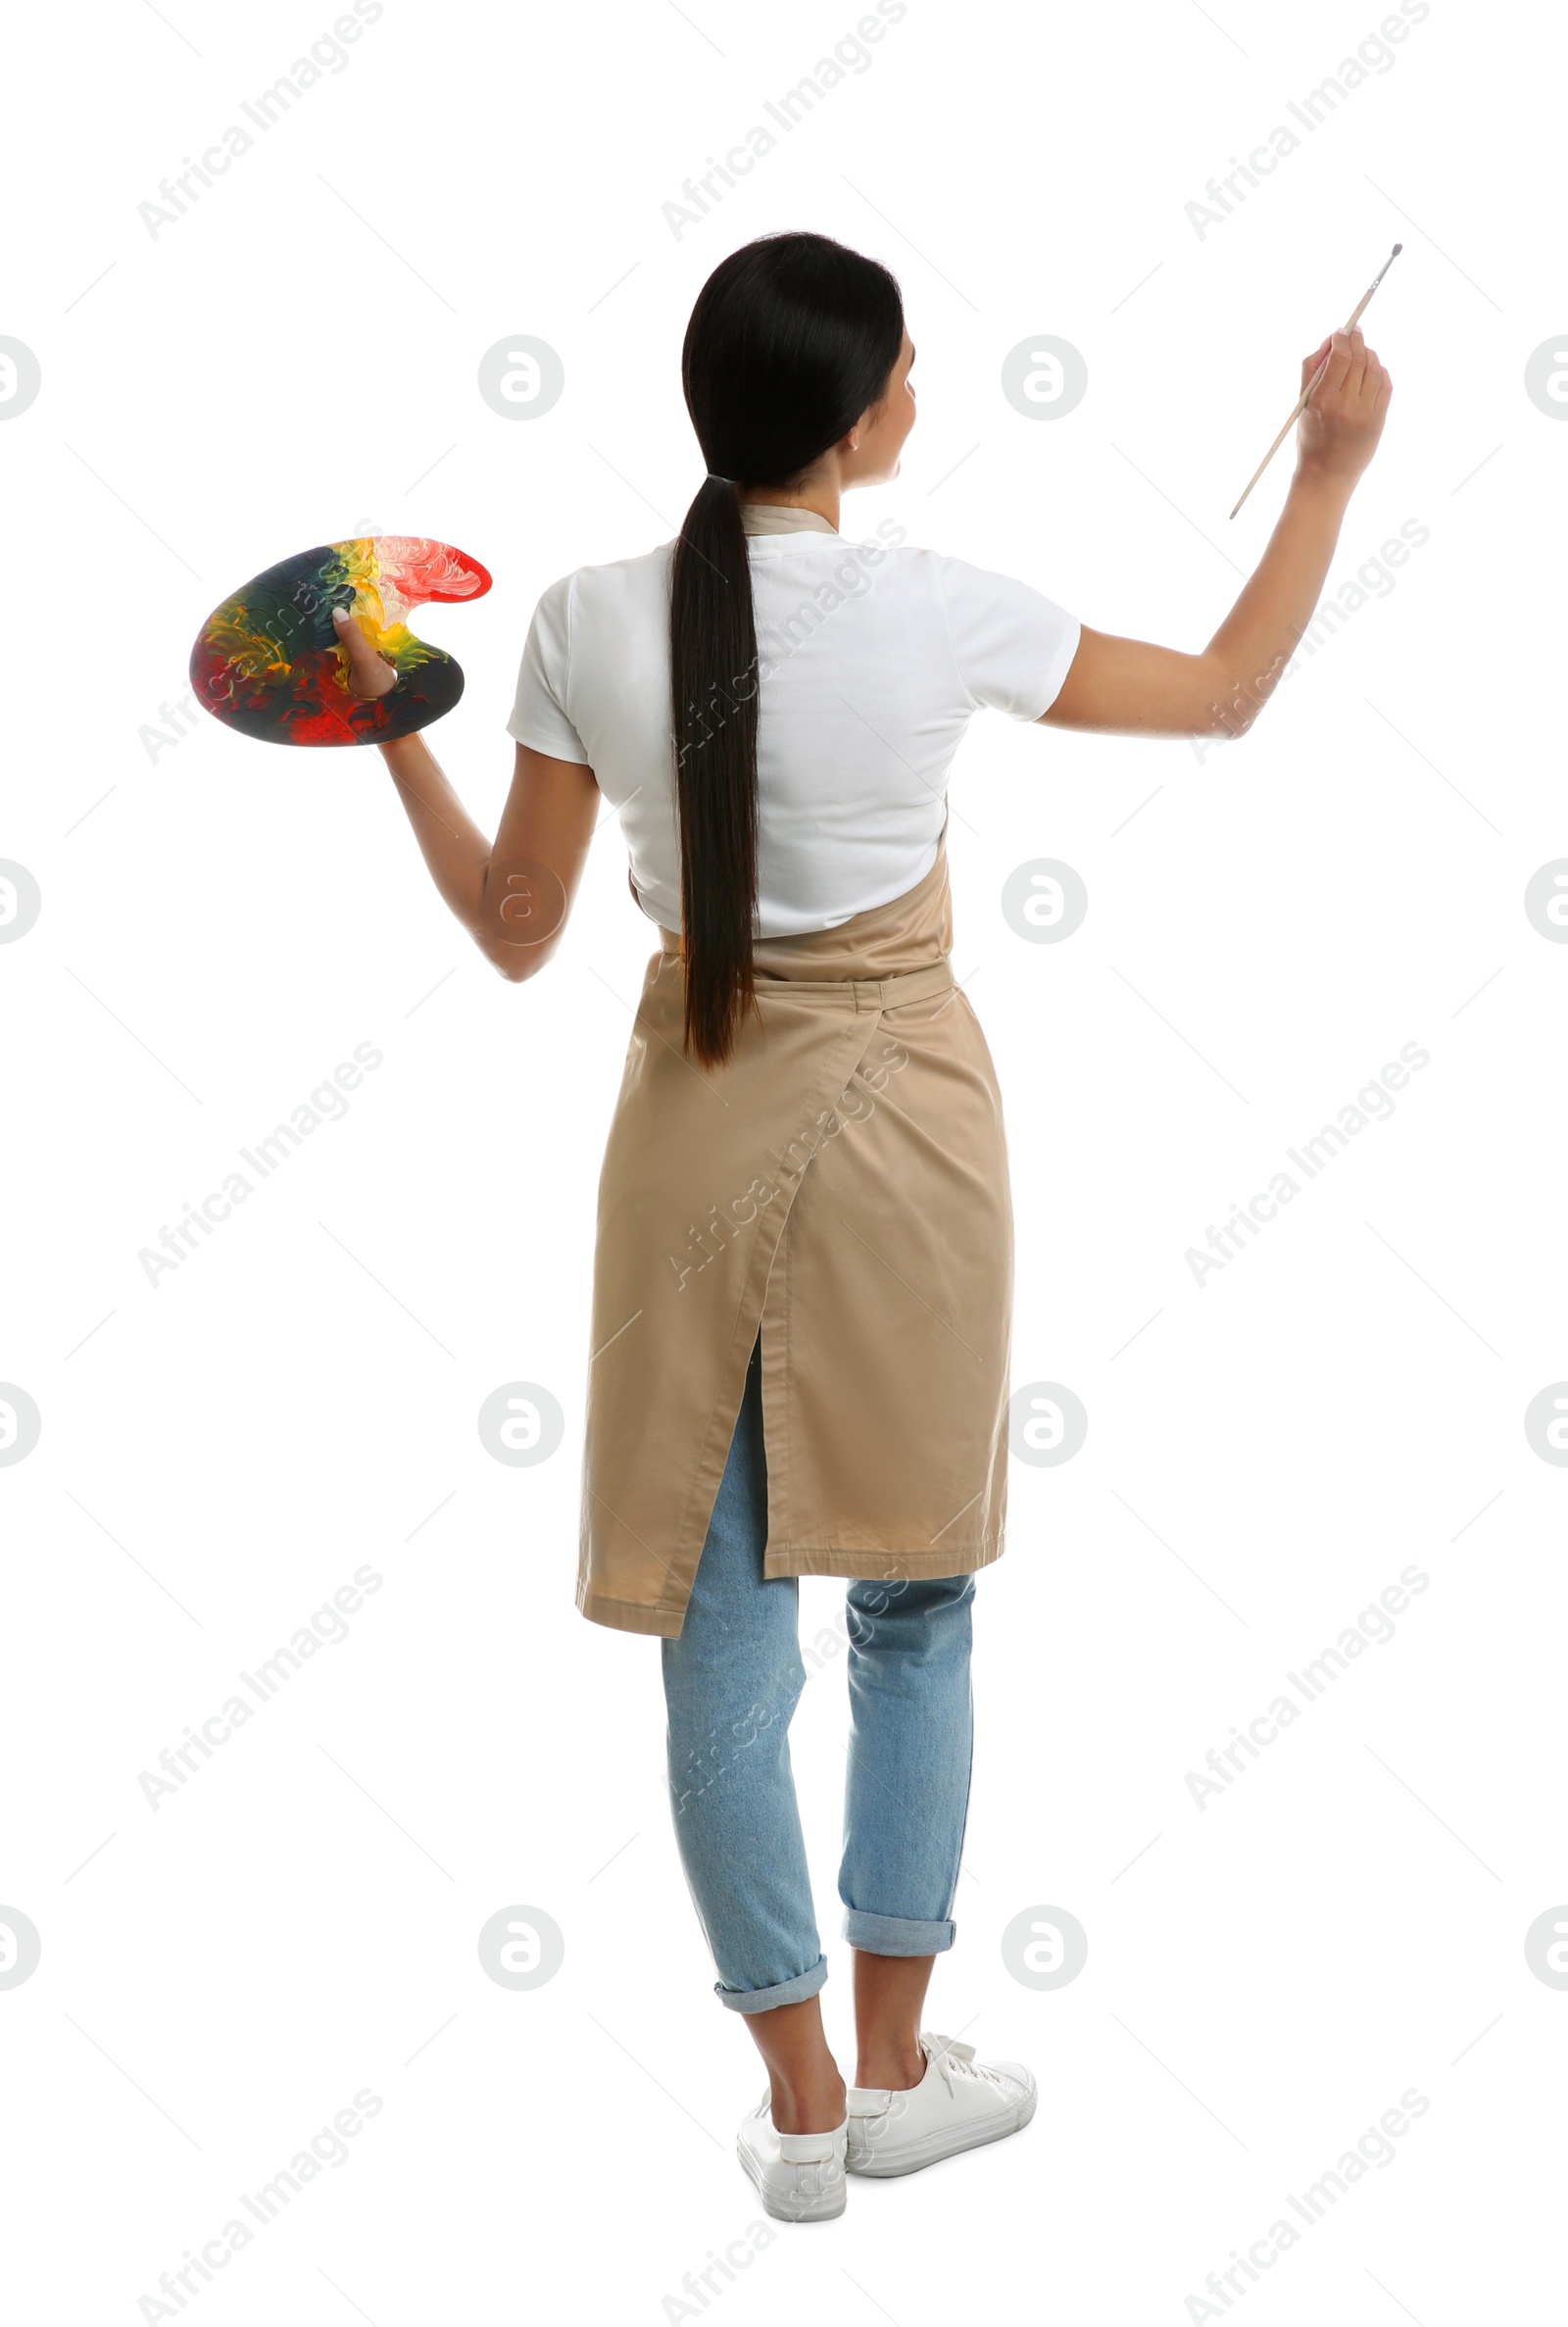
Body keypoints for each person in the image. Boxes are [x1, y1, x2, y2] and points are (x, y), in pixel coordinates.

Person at [332, 230, 1391, 2223]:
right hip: (910, 1139)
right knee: (912, 1600)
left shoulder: (577, 619)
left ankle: (800, 2095)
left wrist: (391, 720)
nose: (920, 385)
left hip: (684, 1143)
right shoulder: (934, 609)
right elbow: (1229, 690)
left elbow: (514, 932)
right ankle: (898, 2067)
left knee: (718, 1642)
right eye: (905, 363)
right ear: (850, 416)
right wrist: (1327, 467)